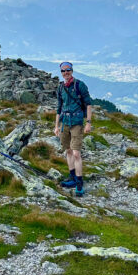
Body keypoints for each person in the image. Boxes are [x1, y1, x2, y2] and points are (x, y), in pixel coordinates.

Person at [54, 61, 92, 196]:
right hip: (65, 123)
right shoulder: (60, 88)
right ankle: (72, 177)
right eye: (63, 71)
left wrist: (88, 122)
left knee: (76, 153)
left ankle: (79, 182)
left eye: (68, 70)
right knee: (68, 151)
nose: (66, 73)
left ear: (72, 70)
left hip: (76, 122)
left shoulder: (79, 85)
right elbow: (59, 107)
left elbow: (88, 104)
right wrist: (56, 126)